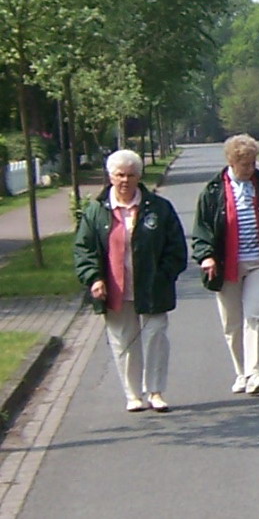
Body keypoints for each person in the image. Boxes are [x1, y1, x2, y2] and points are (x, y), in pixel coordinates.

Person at [74, 149, 187, 412]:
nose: (125, 180)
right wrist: (94, 279)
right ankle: (133, 394)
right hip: (115, 289)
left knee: (156, 337)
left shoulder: (159, 208)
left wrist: (164, 275)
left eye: (131, 175)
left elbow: (176, 248)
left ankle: (156, 392)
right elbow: (84, 249)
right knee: (123, 341)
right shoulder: (95, 212)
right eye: (119, 175)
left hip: (152, 288)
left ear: (139, 177)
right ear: (110, 176)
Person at [192, 134, 259, 396]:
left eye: (253, 163)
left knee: (257, 317)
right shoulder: (213, 191)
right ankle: (242, 372)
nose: (250, 168)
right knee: (233, 324)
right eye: (245, 164)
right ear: (231, 162)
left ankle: (256, 372)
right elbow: (202, 229)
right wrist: (206, 255)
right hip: (227, 264)